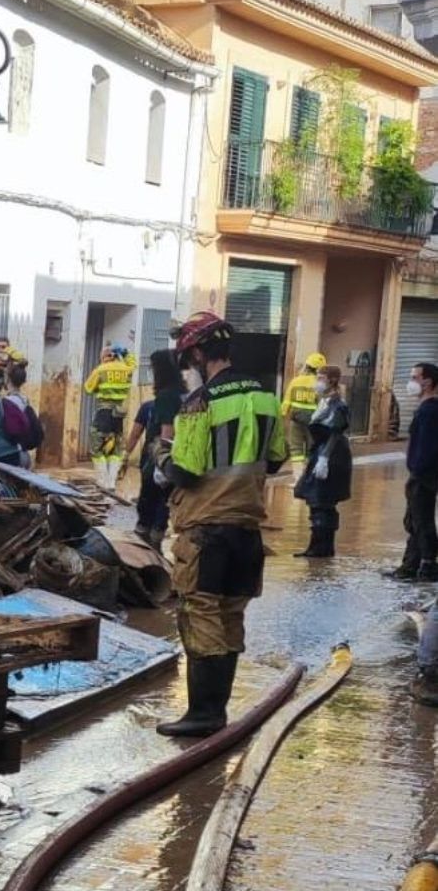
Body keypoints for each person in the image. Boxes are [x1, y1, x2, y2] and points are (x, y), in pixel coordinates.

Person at [153, 312, 286, 737]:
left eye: (187, 358)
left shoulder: (199, 403)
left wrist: (161, 457)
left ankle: (203, 714)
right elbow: (278, 457)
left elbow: (186, 471)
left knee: (200, 616)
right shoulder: (266, 396)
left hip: (205, 530)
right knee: (230, 617)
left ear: (195, 353)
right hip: (246, 530)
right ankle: (218, 712)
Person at [121, 349, 184, 550]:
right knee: (163, 506)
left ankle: (144, 552)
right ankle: (156, 548)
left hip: (157, 462)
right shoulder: (185, 396)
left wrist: (161, 463)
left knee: (148, 505)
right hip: (177, 461)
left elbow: (167, 432)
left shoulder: (164, 399)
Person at [292, 364, 351, 559]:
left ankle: (322, 548)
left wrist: (324, 458)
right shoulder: (324, 401)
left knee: (323, 501)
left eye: (320, 377)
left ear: (332, 380)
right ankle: (316, 546)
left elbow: (336, 432)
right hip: (321, 453)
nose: (317, 381)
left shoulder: (338, 405)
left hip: (332, 457)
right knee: (316, 501)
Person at [388, 362, 438, 581]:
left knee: (421, 519)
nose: (411, 382)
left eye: (415, 377)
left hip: (424, 475)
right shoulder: (426, 409)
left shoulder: (430, 410)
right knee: (414, 520)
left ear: (428, 381)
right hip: (421, 473)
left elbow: (427, 446)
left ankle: (427, 565)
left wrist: (417, 470)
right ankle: (410, 566)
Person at [84, 342, 137, 490]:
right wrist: (125, 353)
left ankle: (102, 481)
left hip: (103, 413)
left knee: (96, 447)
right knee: (117, 449)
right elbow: (133, 363)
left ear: (105, 356)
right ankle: (112, 482)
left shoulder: (100, 370)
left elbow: (88, 388)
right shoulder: (126, 369)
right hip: (119, 415)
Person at [280, 352, 326, 468]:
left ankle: (297, 480)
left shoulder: (295, 381)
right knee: (312, 450)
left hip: (296, 421)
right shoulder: (320, 385)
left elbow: (286, 402)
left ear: (307, 366)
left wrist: (281, 417)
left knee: (296, 451)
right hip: (314, 424)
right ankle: (310, 480)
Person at [1, 354, 34, 468]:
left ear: (7, 379)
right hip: (25, 453)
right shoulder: (25, 400)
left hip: (13, 453)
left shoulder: (7, 402)